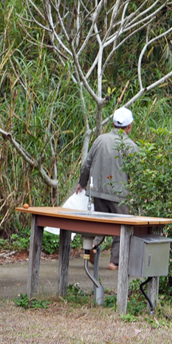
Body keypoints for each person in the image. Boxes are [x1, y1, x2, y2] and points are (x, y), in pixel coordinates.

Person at [75, 106, 140, 270]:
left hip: (97, 191)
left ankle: (93, 247)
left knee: (101, 222)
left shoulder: (100, 140)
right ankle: (114, 262)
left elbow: (86, 165)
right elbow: (138, 173)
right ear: (129, 126)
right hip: (120, 194)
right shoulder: (131, 146)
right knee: (122, 226)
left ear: (113, 123)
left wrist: (82, 183)